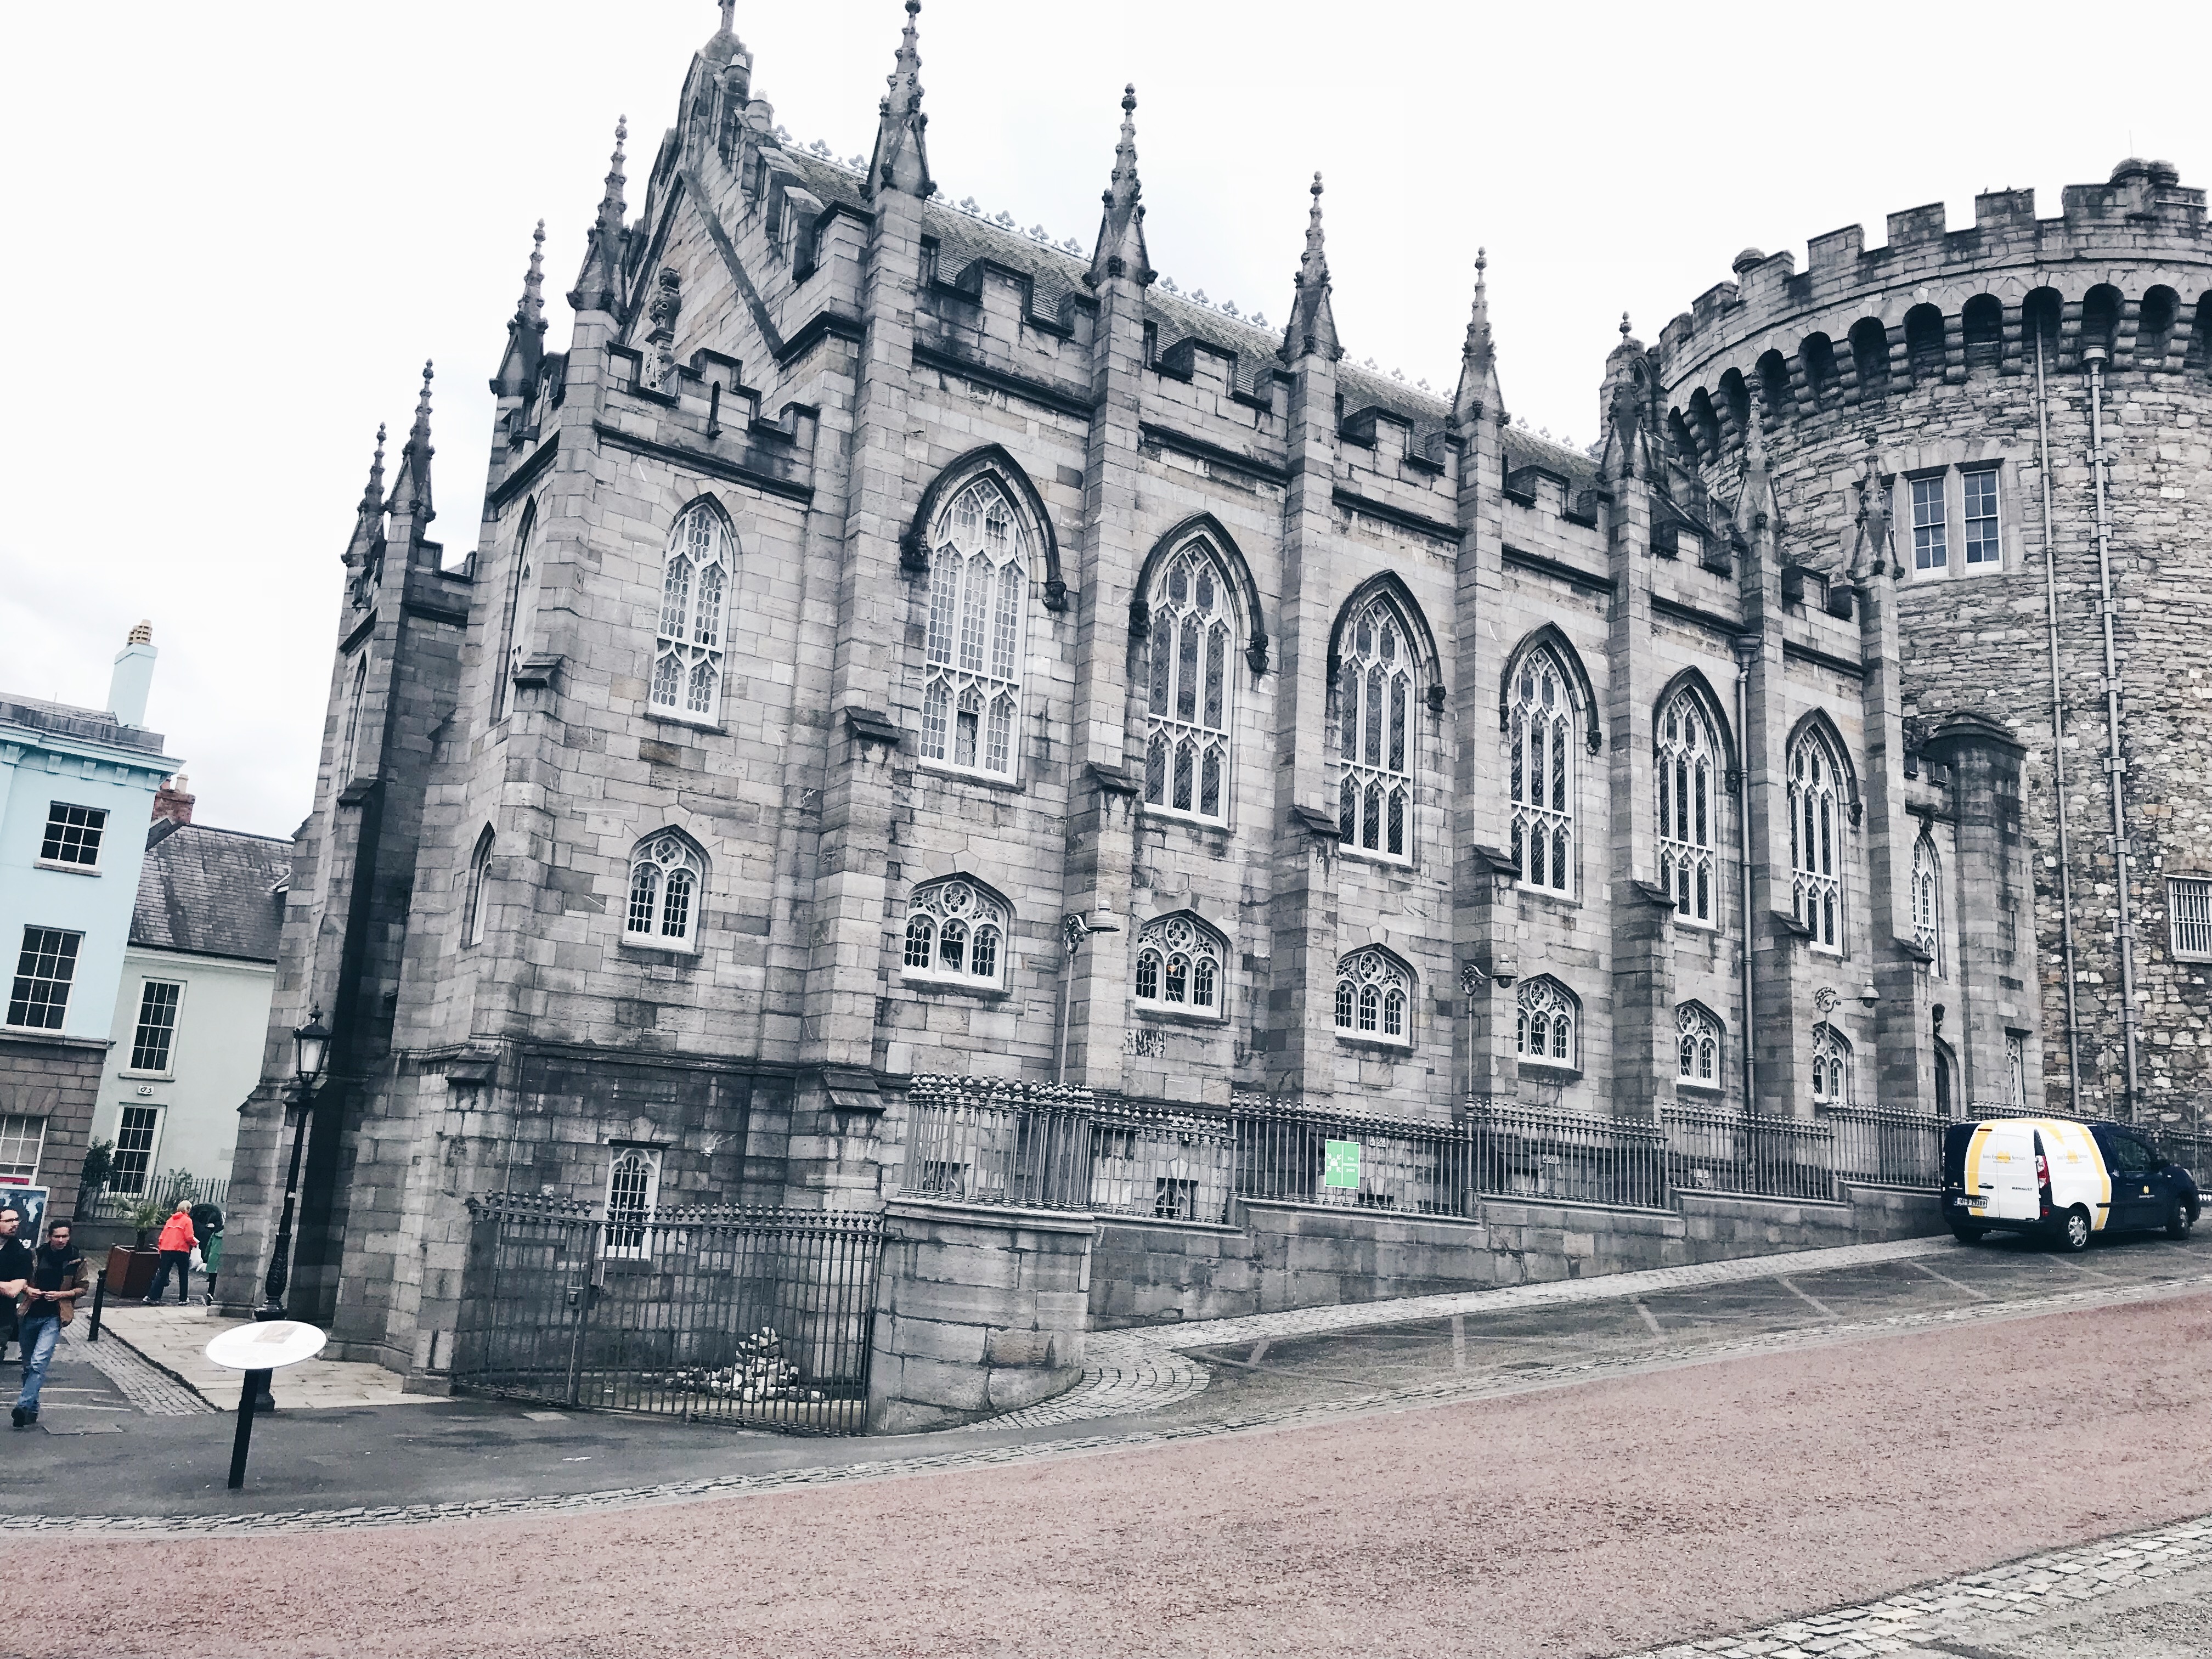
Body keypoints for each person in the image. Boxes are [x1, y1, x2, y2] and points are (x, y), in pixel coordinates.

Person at [12, 1219, 84, 1429]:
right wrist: (28, 1291)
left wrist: (63, 1294)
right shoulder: (37, 1255)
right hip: (30, 1313)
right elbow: (22, 1279)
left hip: (54, 1316)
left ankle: (23, 1406)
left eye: (65, 1236)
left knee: (38, 1362)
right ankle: (32, 1409)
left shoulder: (76, 1259)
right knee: (28, 1367)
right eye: (57, 1236)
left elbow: (83, 1288)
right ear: (49, 1237)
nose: (61, 1240)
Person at [145, 1201, 197, 1305]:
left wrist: (161, 1248)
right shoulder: (187, 1221)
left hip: (166, 1249)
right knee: (183, 1274)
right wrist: (195, 1243)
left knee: (162, 1274)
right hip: (181, 1250)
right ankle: (183, 1299)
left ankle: (151, 1297)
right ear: (187, 1210)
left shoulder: (170, 1220)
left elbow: (162, 1236)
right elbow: (189, 1237)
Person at [0, 1206, 31, 1365]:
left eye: (16, 1220)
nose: (15, 1224)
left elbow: (13, 1290)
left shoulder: (21, 1254)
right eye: (9, 1220)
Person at [189, 1197, 224, 1305]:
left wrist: (206, 1257)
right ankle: (216, 1295)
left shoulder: (215, 1234)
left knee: (212, 1278)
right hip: (221, 1260)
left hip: (213, 1258)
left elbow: (209, 1246)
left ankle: (210, 1294)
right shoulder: (226, 1236)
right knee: (220, 1279)